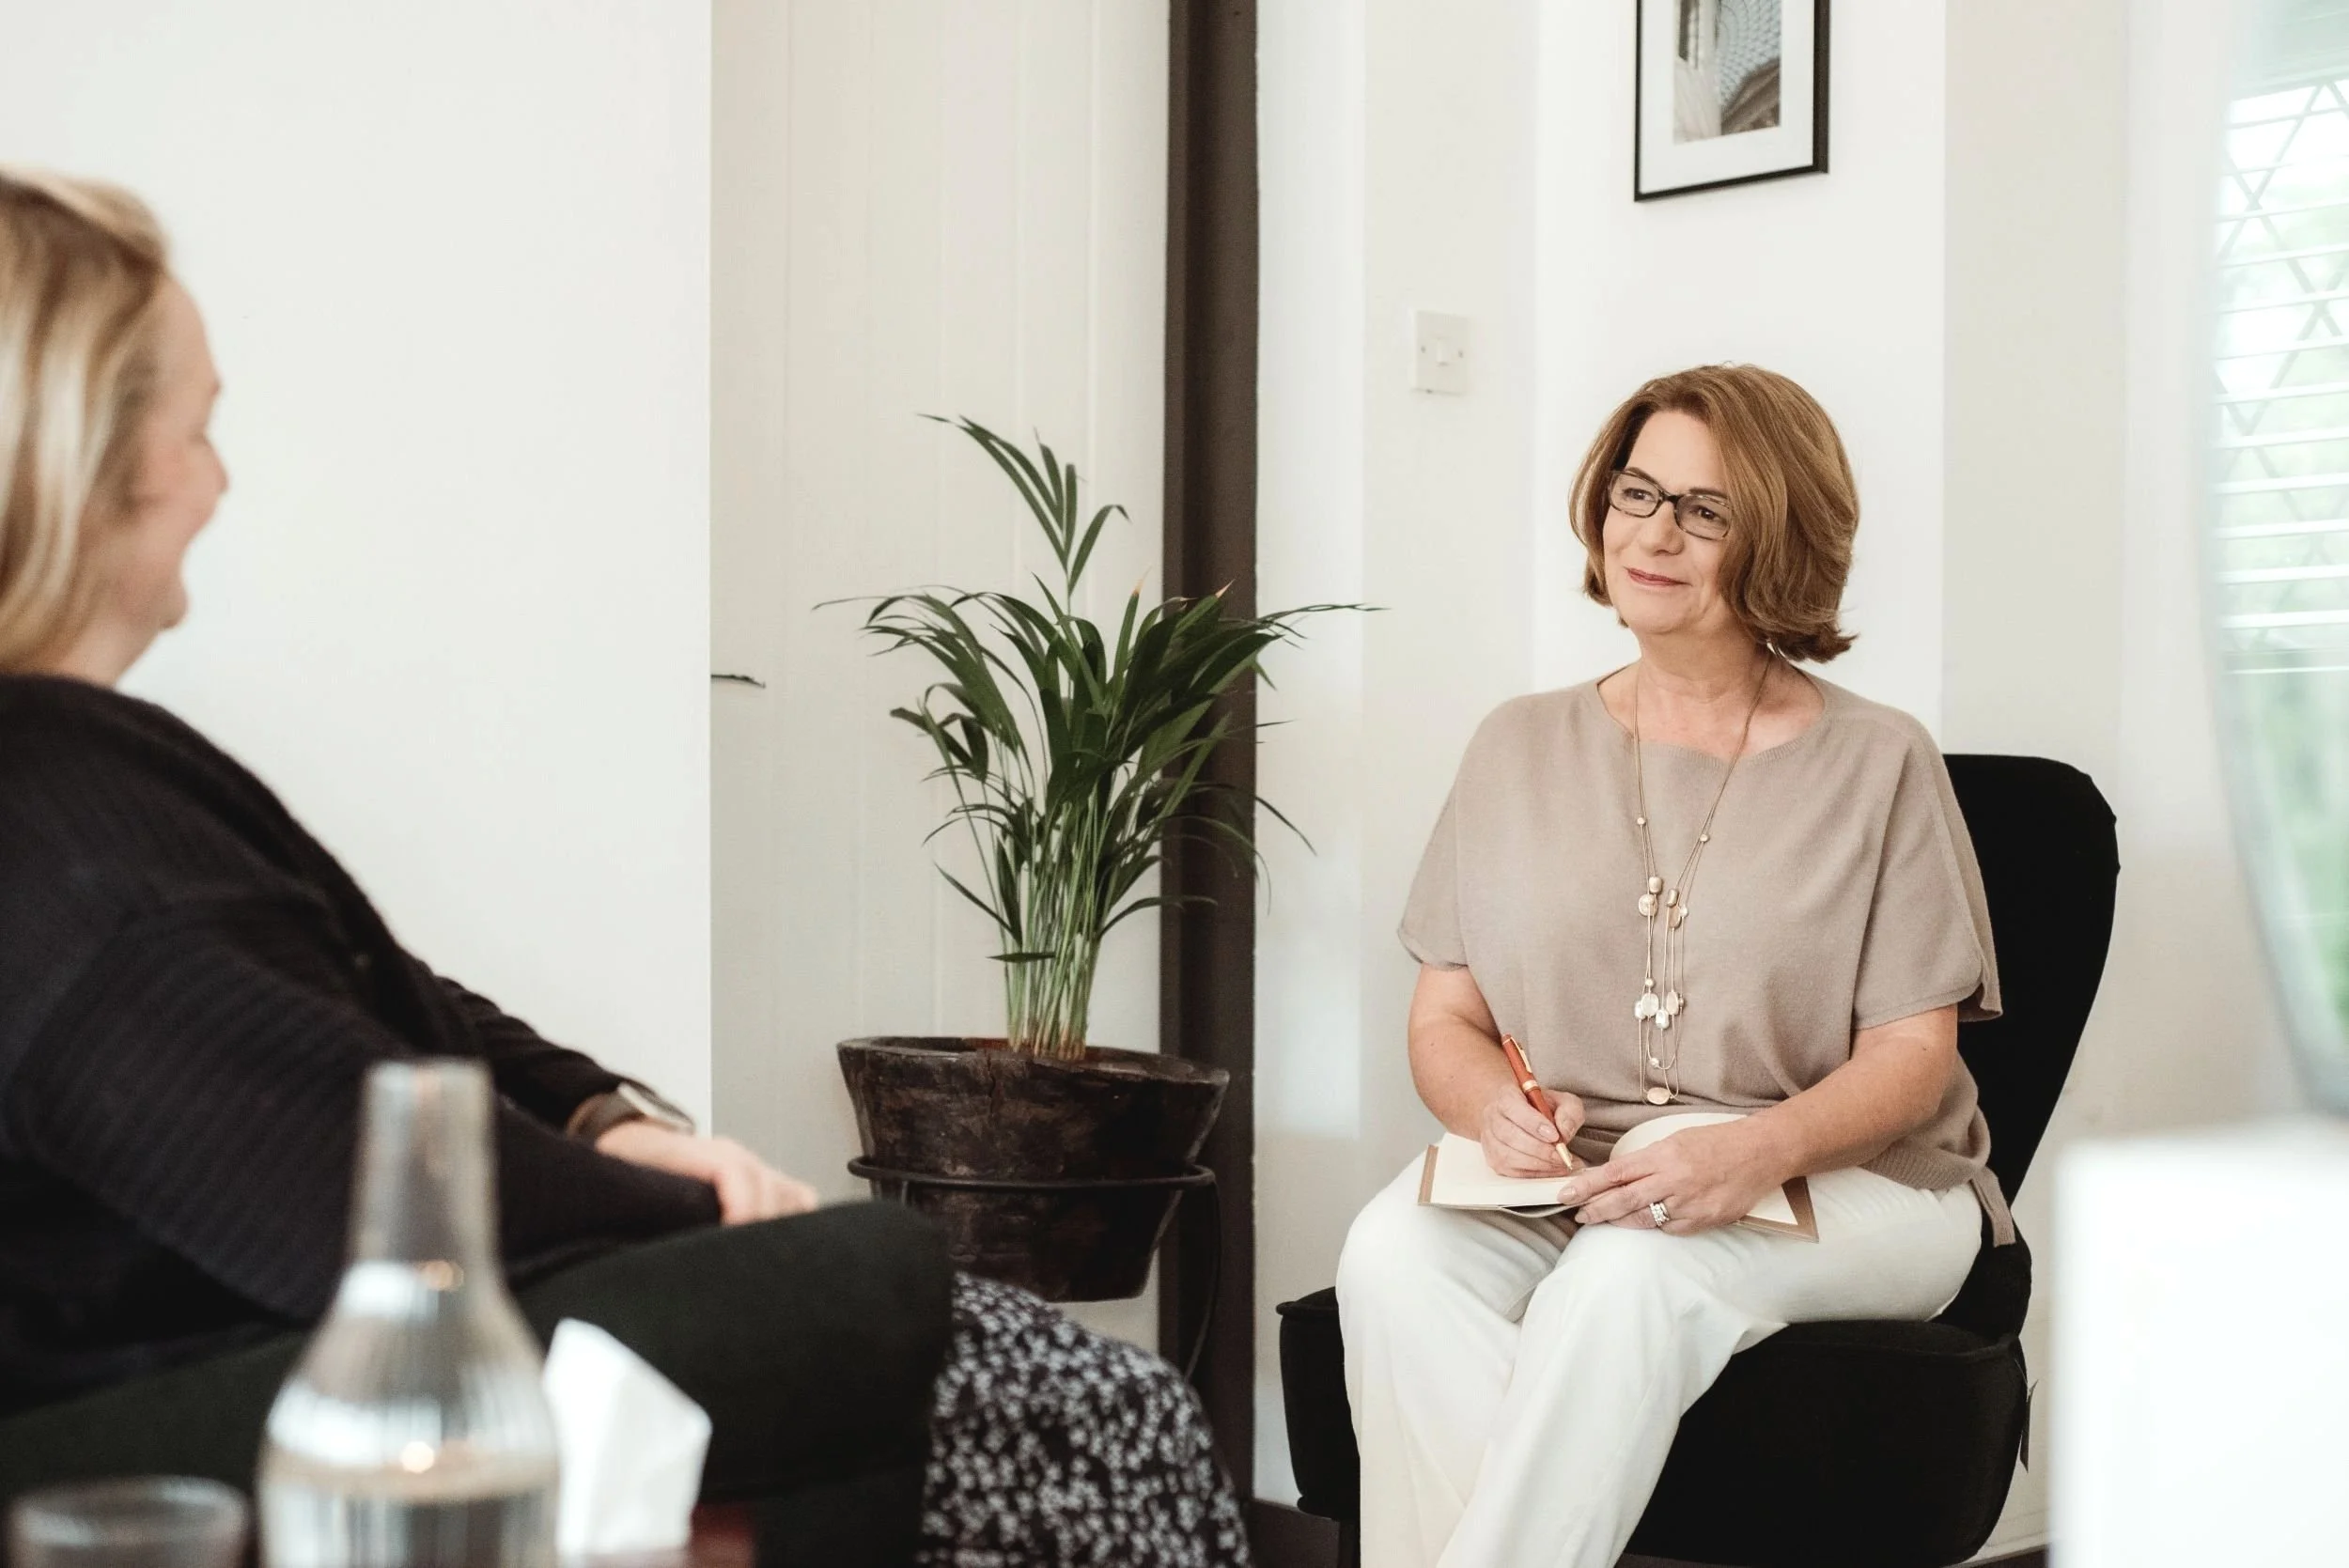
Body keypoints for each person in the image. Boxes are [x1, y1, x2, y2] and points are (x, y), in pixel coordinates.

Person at [0, 167, 1249, 1568]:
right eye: (199, 429)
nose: (221, 481)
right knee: (1052, 1376)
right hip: (230, 1409)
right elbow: (356, 1192)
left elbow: (395, 998)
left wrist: (606, 1118)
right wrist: (701, 1214)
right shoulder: (55, 833)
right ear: (83, 462)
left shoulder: (84, 775)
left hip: (315, 1333)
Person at [1336, 365, 2003, 1568]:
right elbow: (1445, 1018)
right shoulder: (1515, 744)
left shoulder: (1879, 759)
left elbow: (1913, 1060)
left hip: (1860, 1182)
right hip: (1579, 1176)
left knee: (1628, 1279)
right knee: (1393, 1256)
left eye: (1705, 510)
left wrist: (1752, 1150)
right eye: (1635, 492)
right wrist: (1493, 1109)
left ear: (1779, 536)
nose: (1652, 533)